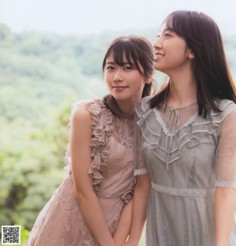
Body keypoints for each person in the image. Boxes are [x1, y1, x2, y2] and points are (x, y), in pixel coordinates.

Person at [127, 10, 236, 246]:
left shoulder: (225, 114)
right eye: (158, 35)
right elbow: (143, 185)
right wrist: (130, 242)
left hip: (209, 234)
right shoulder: (144, 111)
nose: (156, 44)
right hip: (162, 232)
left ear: (192, 50)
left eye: (167, 36)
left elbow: (225, 191)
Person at [28, 35, 154, 246]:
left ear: (148, 75)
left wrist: (126, 239)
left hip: (116, 225)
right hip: (73, 217)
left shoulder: (153, 123)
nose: (117, 77)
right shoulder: (87, 115)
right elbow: (82, 189)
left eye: (127, 68)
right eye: (111, 68)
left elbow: (139, 191)